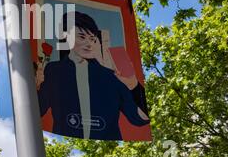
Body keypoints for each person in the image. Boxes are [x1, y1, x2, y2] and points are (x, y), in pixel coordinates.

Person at [35, 11, 149, 140]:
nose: (88, 44)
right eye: (82, 37)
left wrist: (133, 85)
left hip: (107, 149)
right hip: (67, 146)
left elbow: (141, 118)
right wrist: (36, 86)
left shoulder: (111, 75)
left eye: (92, 38)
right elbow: (37, 111)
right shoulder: (54, 70)